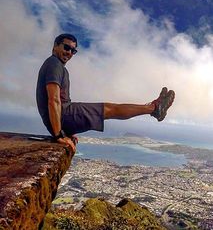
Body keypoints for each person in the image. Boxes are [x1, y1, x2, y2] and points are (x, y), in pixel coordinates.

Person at [36, 33, 175, 153]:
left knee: (111, 108)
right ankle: (155, 108)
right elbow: (53, 100)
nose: (69, 53)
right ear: (55, 46)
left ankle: (154, 108)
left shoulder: (57, 66)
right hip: (63, 115)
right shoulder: (54, 64)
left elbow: (58, 99)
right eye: (66, 48)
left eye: (73, 51)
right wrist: (59, 135)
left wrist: (66, 132)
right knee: (111, 109)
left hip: (62, 117)